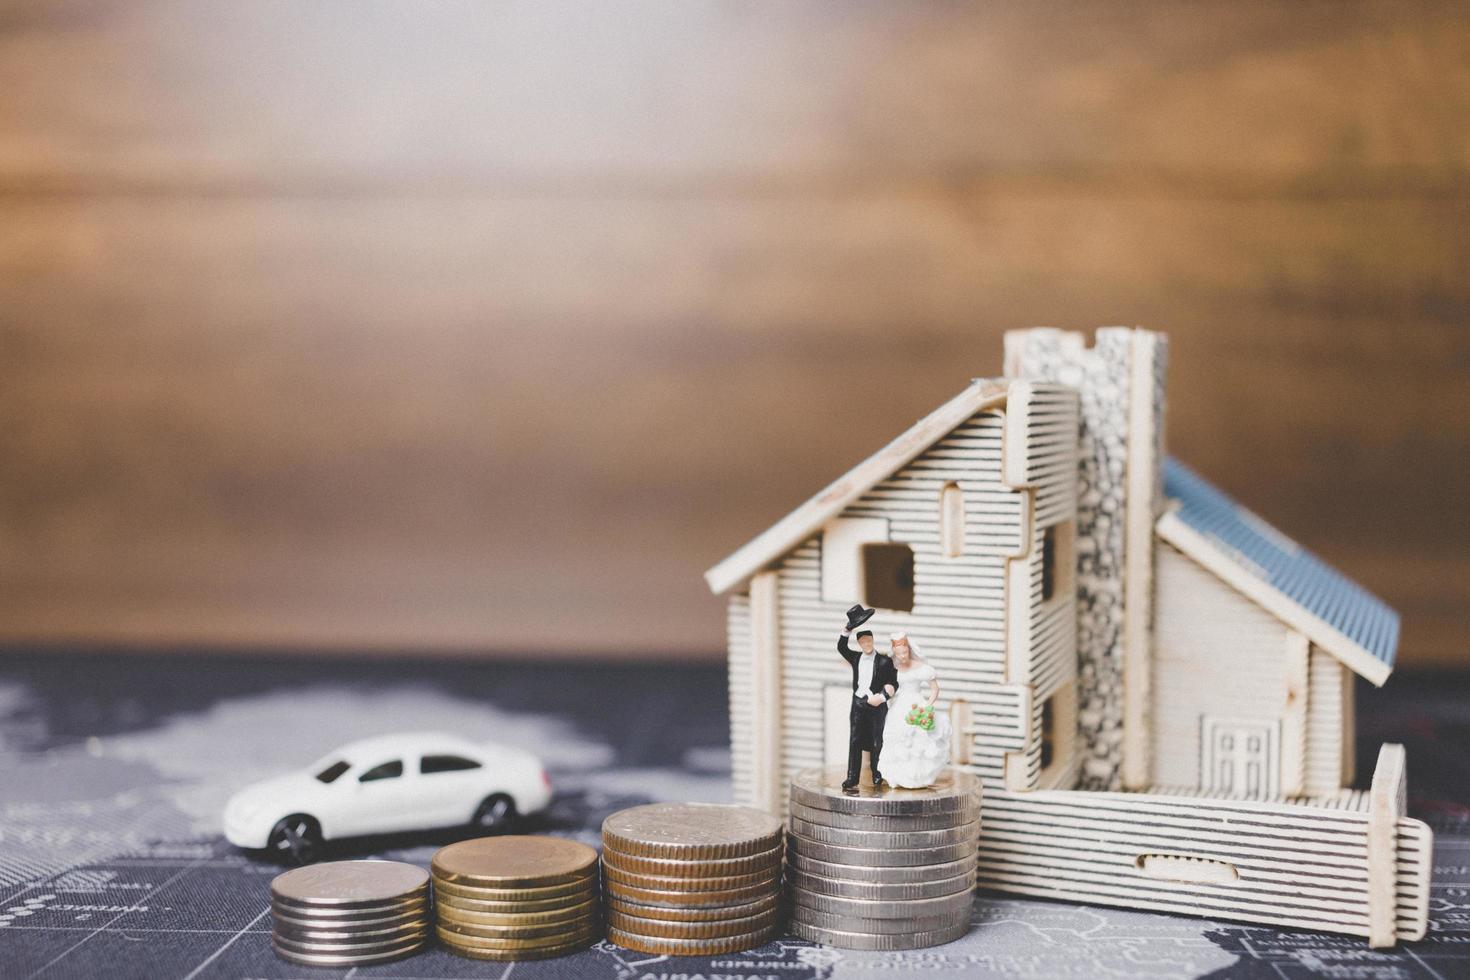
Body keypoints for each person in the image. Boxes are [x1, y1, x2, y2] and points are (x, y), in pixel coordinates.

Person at [837, 605, 898, 794]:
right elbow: (841, 647)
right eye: (863, 642)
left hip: (876, 705)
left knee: (876, 740)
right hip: (858, 703)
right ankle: (852, 777)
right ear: (860, 643)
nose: (867, 644)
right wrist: (847, 629)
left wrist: (882, 697)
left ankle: (877, 773)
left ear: (872, 641)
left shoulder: (884, 661)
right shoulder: (855, 658)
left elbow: (894, 683)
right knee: (855, 740)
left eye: (869, 640)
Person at [879, 631, 952, 788]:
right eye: (899, 654)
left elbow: (935, 689)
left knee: (920, 738)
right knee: (896, 735)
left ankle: (919, 775)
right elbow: (889, 689)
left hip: (916, 703)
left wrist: (928, 706)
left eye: (905, 652)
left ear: (909, 650)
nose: (903, 656)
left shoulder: (921, 668)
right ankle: (898, 775)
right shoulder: (894, 669)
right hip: (900, 705)